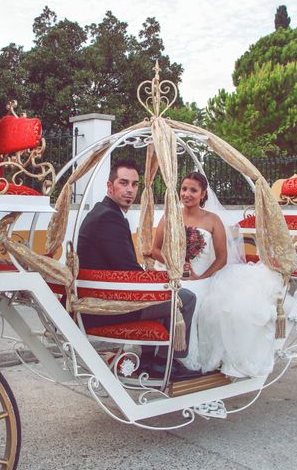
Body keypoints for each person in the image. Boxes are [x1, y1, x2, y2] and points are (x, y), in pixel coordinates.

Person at [152, 171, 283, 378]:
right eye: (184, 189)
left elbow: (221, 258)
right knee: (164, 297)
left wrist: (202, 277)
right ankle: (158, 355)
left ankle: (184, 358)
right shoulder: (170, 217)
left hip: (204, 277)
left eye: (193, 190)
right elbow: (155, 249)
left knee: (193, 300)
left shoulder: (213, 220)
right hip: (174, 274)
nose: (187, 194)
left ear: (203, 194)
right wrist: (175, 264)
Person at [77, 159, 199, 380]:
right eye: (123, 183)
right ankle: (165, 363)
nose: (130, 190)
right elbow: (129, 273)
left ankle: (151, 361)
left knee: (169, 295)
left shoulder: (104, 211)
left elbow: (123, 268)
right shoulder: (109, 218)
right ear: (109, 186)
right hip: (109, 307)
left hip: (102, 296)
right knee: (185, 298)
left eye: (134, 185)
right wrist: (163, 282)